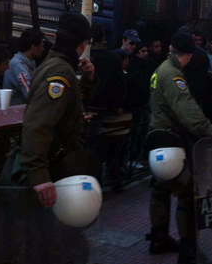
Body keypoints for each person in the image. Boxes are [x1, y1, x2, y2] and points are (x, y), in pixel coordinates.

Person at [147, 31, 212, 264]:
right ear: (190, 55)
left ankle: (158, 237)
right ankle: (188, 252)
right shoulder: (174, 76)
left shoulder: (160, 69)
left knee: (159, 191)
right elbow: (187, 111)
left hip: (156, 139)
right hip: (172, 142)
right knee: (187, 193)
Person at [19, 12, 99, 208]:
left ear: (56, 37)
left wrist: (88, 81)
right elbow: (38, 124)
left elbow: (71, 106)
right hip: (55, 170)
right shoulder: (60, 72)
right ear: (82, 45)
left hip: (60, 167)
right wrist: (39, 174)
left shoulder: (56, 66)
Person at [93, 49, 134, 192]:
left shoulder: (104, 76)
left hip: (109, 121)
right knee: (114, 154)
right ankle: (115, 180)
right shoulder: (123, 78)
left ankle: (102, 183)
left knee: (103, 154)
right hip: (120, 122)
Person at [3, 28, 45, 105]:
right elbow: (29, 93)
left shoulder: (30, 62)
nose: (43, 49)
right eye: (41, 46)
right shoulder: (18, 65)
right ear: (33, 48)